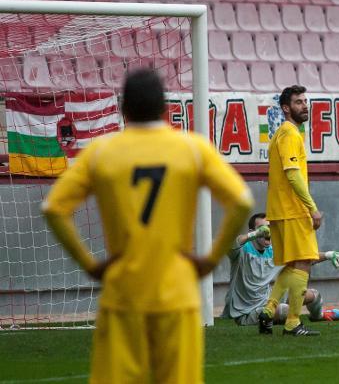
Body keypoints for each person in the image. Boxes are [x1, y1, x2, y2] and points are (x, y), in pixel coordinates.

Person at [42, 69, 253, 384]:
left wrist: (90, 265)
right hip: (177, 294)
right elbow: (242, 202)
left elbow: (53, 208)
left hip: (123, 293)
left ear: (123, 108)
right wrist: (209, 260)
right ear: (164, 109)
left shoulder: (101, 152)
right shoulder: (192, 148)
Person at [259, 85, 325, 336]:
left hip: (281, 209)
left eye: (305, 101)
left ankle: (268, 310)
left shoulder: (284, 133)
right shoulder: (289, 133)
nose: (304, 106)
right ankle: (293, 322)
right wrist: (312, 208)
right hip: (293, 209)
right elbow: (293, 174)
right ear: (286, 108)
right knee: (305, 262)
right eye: (298, 102)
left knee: (293, 264)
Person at [221, 212, 339, 326]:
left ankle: (319, 316)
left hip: (270, 300)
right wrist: (254, 235)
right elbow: (231, 244)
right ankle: (287, 322)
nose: (267, 231)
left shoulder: (274, 251)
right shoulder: (240, 251)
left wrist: (329, 254)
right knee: (285, 310)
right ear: (252, 231)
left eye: (270, 227)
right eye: (263, 228)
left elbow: (303, 258)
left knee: (313, 295)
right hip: (247, 313)